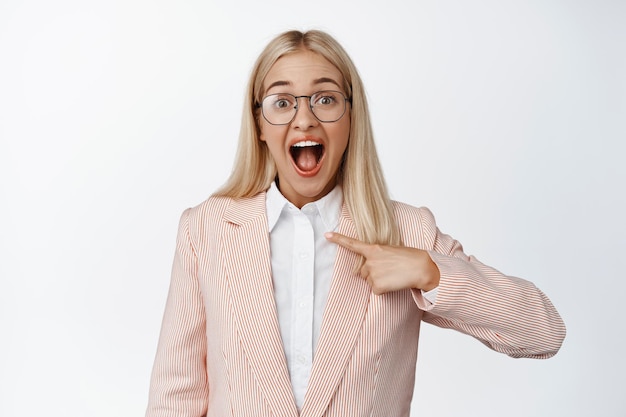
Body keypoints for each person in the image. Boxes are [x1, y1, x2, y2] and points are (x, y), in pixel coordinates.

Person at [145, 29, 566, 417]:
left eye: (325, 99)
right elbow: (175, 396)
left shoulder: (406, 230)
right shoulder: (208, 229)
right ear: (259, 123)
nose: (304, 119)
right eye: (282, 102)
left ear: (351, 117)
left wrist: (430, 272)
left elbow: (543, 332)